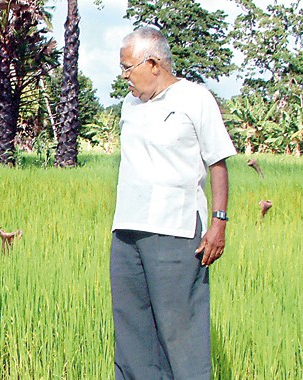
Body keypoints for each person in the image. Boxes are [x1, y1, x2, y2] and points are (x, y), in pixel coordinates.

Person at [110, 27, 236, 379]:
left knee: (181, 332)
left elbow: (218, 162)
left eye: (127, 68)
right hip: (126, 231)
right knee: (131, 331)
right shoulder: (129, 104)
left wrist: (219, 221)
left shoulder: (194, 98)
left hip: (176, 231)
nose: (124, 78)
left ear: (153, 63)